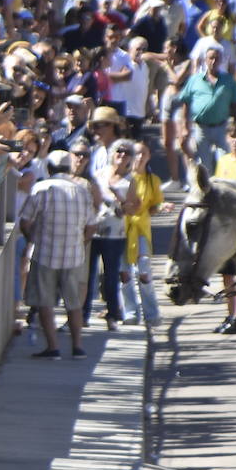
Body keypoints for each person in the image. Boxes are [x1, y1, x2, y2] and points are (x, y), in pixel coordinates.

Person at [19, 151, 98, 360]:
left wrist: (32, 238)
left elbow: (25, 221)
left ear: (49, 168)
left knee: (45, 302)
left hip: (45, 253)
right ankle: (77, 346)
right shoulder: (82, 191)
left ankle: (53, 347)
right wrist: (81, 243)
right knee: (74, 303)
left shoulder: (41, 188)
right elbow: (91, 225)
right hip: (74, 255)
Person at [85, 141, 139, 329]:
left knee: (110, 277)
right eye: (119, 151)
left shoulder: (131, 180)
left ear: (131, 158)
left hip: (115, 235)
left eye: (127, 153)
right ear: (112, 153)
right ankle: (82, 315)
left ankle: (113, 315)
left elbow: (134, 208)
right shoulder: (99, 174)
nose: (122, 155)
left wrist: (120, 199)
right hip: (94, 231)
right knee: (87, 275)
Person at [171, 44, 236, 176]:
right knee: (204, 164)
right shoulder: (195, 79)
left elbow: (235, 104)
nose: (213, 61)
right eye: (210, 58)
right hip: (201, 128)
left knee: (224, 161)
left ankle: (224, 190)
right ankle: (207, 193)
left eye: (216, 58)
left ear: (221, 60)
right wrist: (185, 127)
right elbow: (186, 103)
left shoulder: (228, 80)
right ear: (205, 60)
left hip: (222, 127)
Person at [120, 142, 164, 328]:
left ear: (148, 156)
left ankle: (151, 313)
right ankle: (130, 312)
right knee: (124, 274)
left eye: (142, 154)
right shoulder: (123, 178)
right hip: (123, 229)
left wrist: (159, 208)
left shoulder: (152, 180)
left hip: (141, 230)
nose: (139, 157)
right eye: (136, 154)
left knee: (144, 271)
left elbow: (155, 205)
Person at [211, 120, 236, 334]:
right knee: (226, 273)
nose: (235, 141)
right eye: (232, 137)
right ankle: (230, 314)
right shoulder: (223, 161)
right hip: (225, 226)